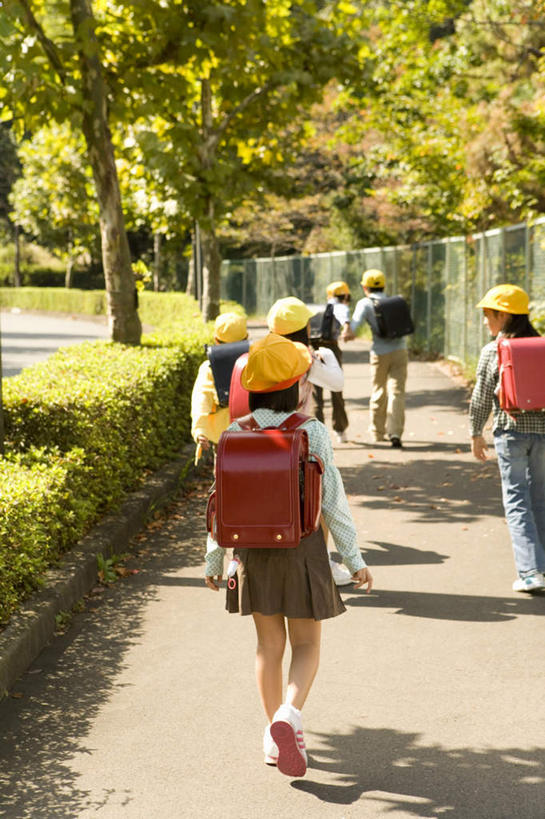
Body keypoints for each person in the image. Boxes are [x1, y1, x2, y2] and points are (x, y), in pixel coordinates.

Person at [204, 333, 373, 778]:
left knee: (267, 646)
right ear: (296, 387)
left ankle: (271, 733)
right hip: (303, 549)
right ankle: (290, 715)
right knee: (306, 643)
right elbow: (332, 499)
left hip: (251, 552)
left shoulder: (235, 431)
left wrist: (213, 560)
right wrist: (354, 559)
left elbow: (220, 500)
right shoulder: (311, 431)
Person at [267, 296, 353, 586]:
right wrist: (325, 355)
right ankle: (322, 563)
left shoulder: (259, 351)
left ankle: (246, 562)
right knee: (322, 498)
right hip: (300, 440)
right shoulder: (303, 355)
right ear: (304, 326)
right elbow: (336, 383)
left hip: (260, 437)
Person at [469, 284, 545, 593]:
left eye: (488, 314)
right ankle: (542, 566)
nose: (485, 320)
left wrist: (476, 432)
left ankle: (530, 571)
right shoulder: (541, 346)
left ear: (503, 315)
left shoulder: (494, 351)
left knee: (516, 500)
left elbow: (481, 397)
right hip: (542, 432)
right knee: (540, 498)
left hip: (510, 431)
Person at [343, 269, 408, 448]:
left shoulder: (365, 304)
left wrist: (347, 333)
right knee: (397, 392)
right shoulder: (392, 301)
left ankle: (377, 432)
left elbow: (353, 328)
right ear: (384, 285)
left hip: (379, 352)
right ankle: (395, 432)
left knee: (379, 389)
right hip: (401, 350)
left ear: (365, 287)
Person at [191, 312, 248, 460]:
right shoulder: (254, 362)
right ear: (246, 338)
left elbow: (201, 399)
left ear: (216, 340)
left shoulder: (209, 367)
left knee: (224, 476)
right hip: (253, 432)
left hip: (223, 437)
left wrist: (200, 430)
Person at [311, 281, 351, 444]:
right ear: (346, 295)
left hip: (314, 349)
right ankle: (340, 429)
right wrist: (347, 328)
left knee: (316, 392)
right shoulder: (340, 306)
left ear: (328, 295)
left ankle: (318, 433)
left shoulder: (316, 309)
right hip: (331, 350)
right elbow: (344, 317)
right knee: (336, 389)